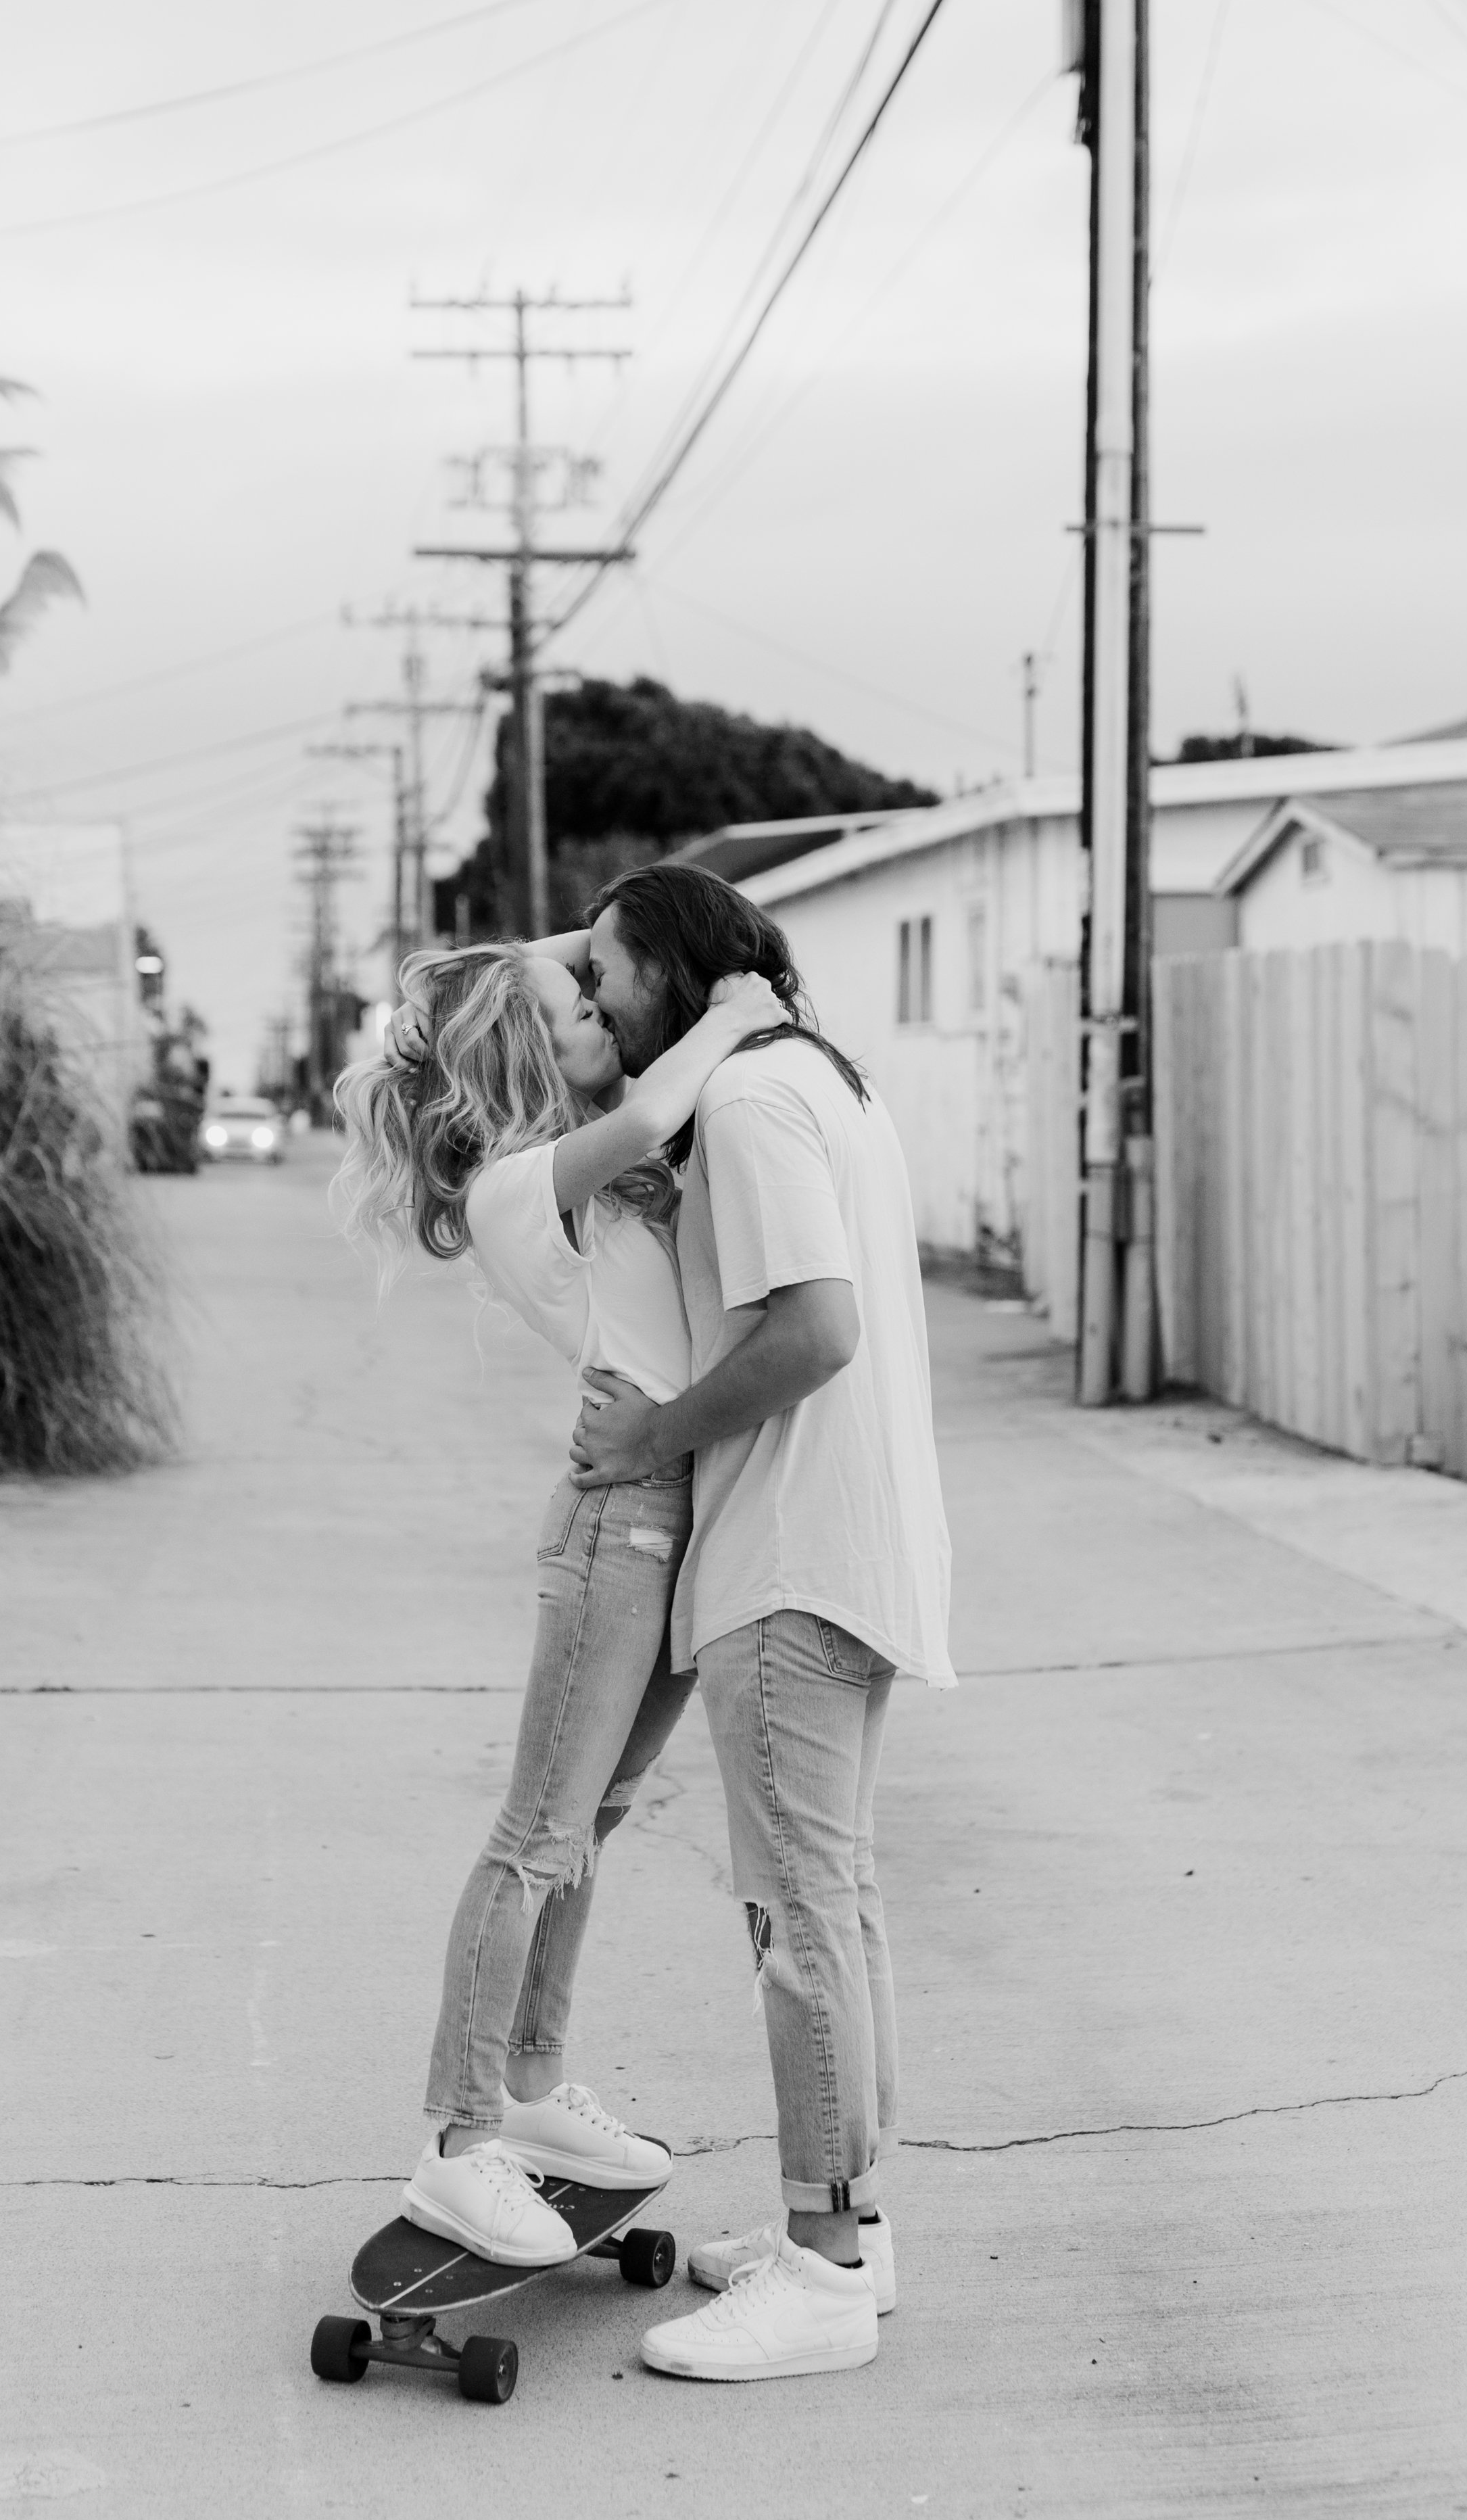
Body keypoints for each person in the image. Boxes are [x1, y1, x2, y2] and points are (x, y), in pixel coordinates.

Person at [331, 934, 786, 2268]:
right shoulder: (512, 1186)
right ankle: (464, 2133)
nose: (592, 1007)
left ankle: (528, 2086)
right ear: (515, 1044)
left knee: (591, 1822)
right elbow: (653, 1105)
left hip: (675, 1515)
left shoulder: (595, 1173)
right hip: (614, 1532)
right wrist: (743, 1011)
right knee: (535, 1831)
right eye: (566, 999)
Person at [568, 863, 955, 2383]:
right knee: (835, 1912)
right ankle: (848, 2231)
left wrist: (655, 1430)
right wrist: (721, 1012)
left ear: (671, 971)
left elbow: (813, 1328)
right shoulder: (816, 1077)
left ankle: (821, 2277)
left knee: (798, 1924)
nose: (587, 999)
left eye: (604, 971)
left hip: (790, 1562)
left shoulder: (744, 1105)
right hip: (849, 1550)